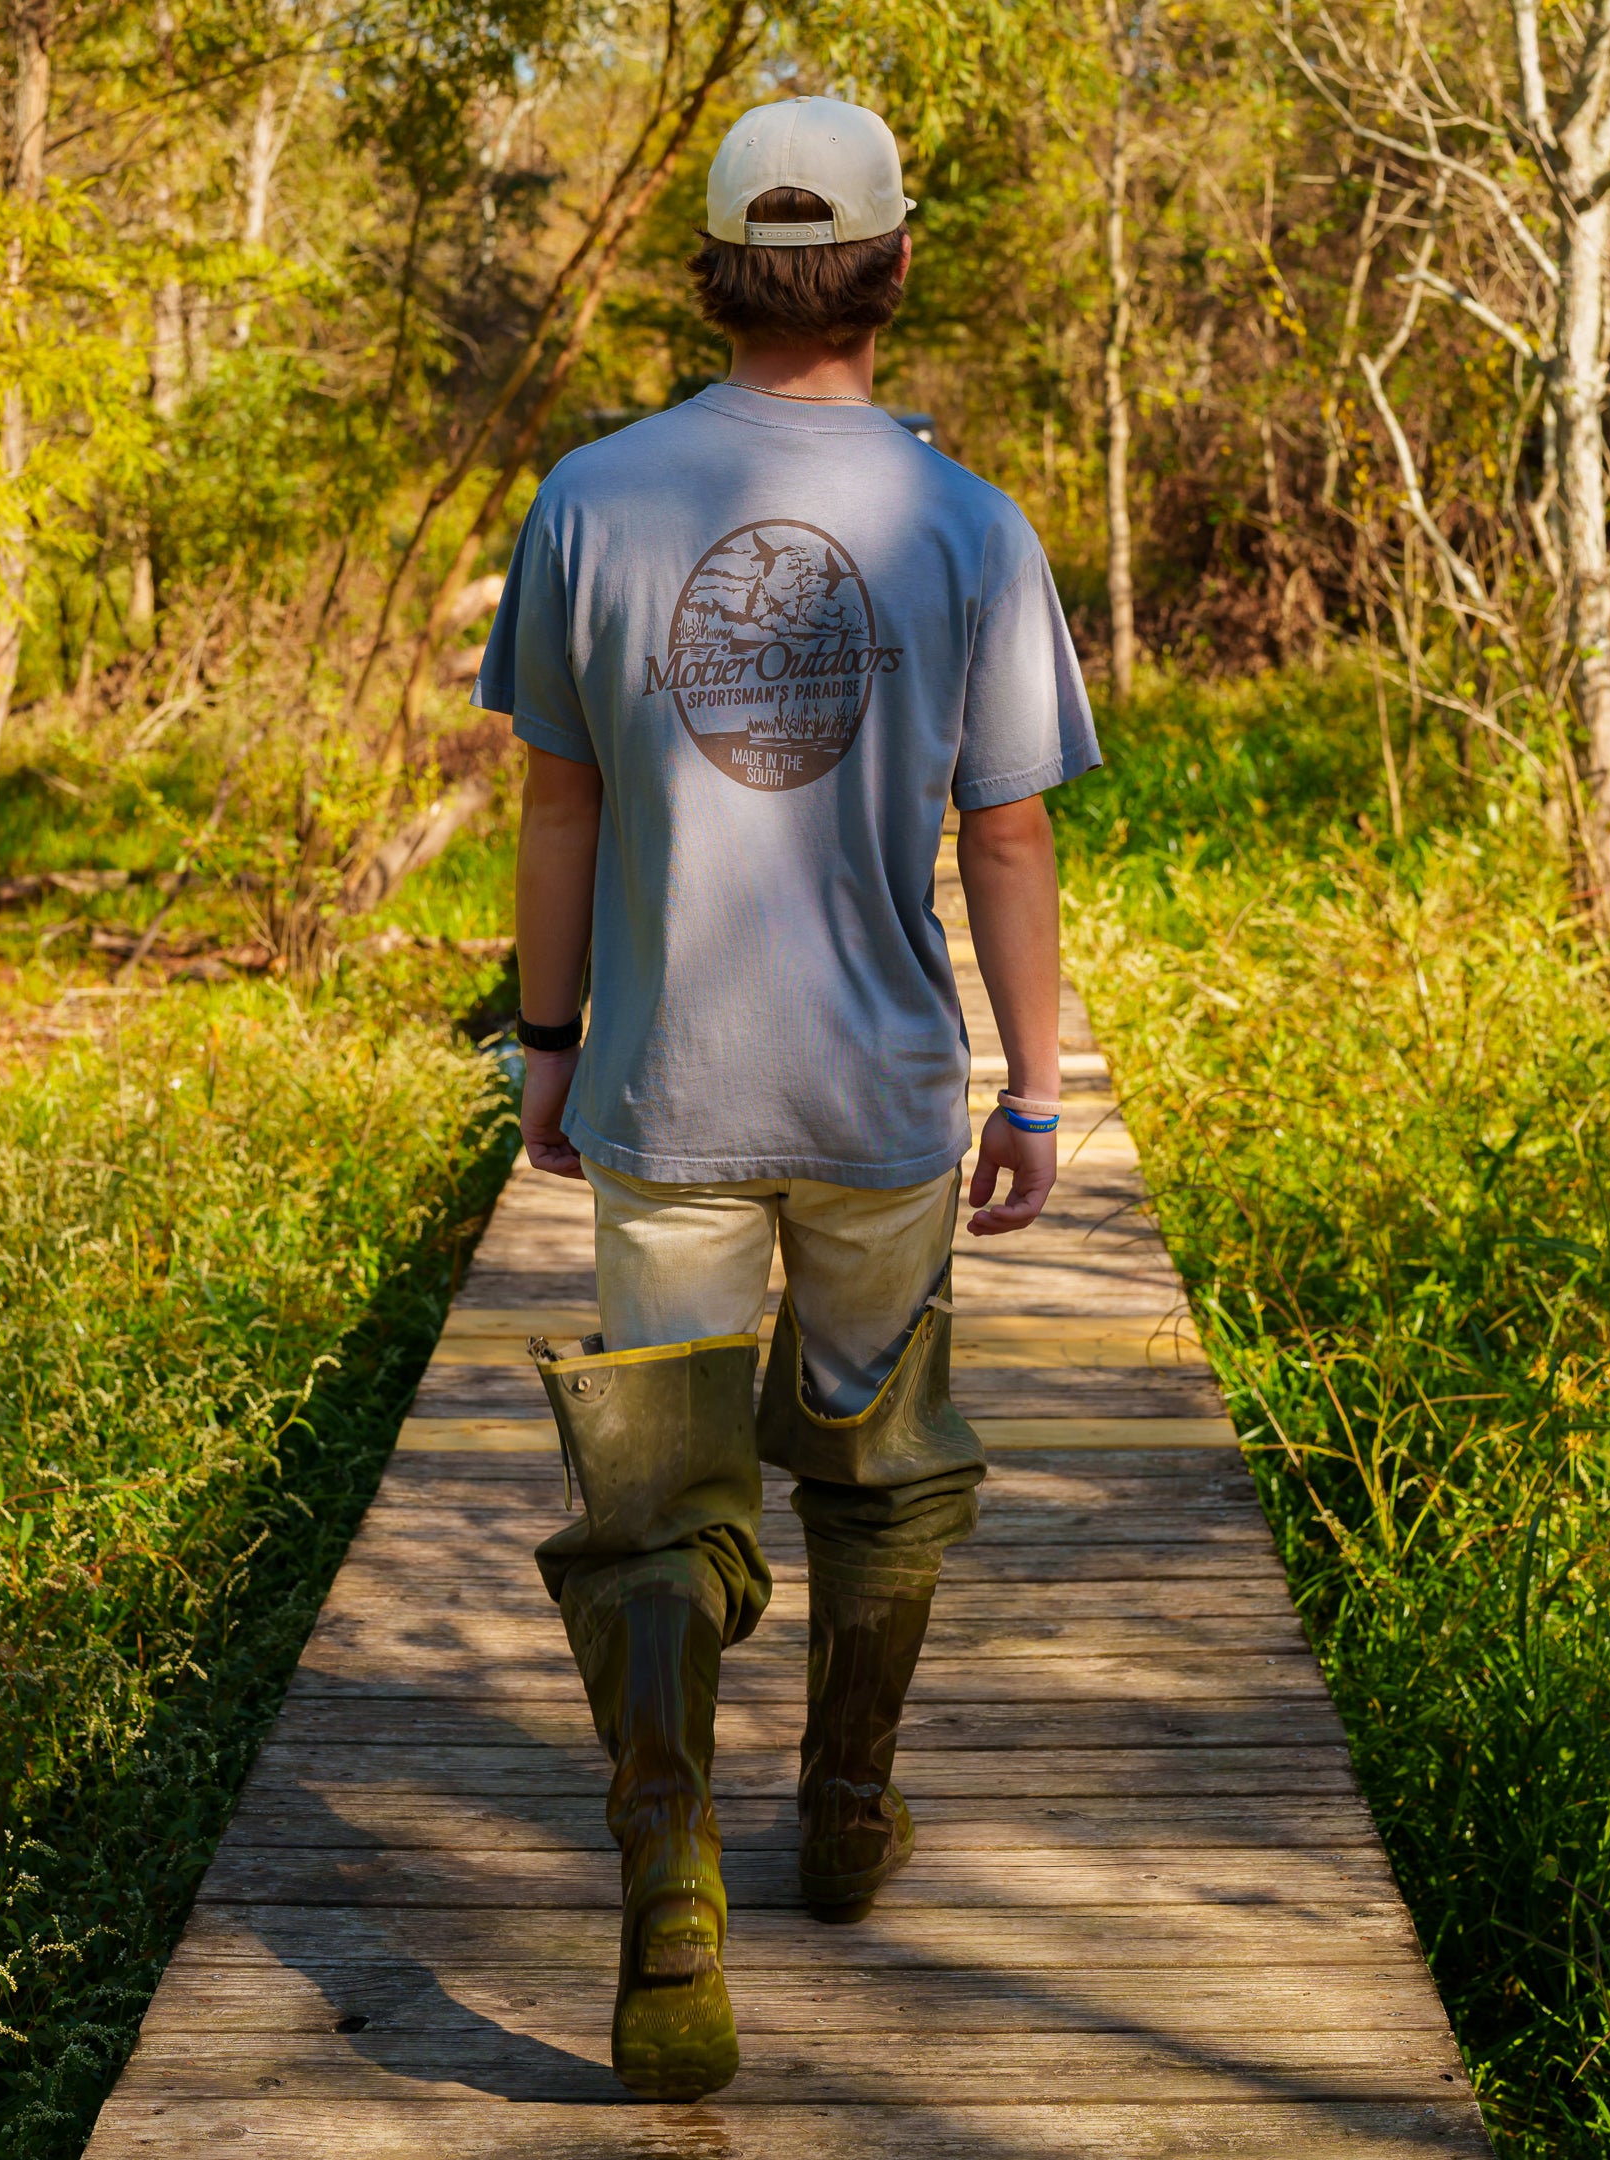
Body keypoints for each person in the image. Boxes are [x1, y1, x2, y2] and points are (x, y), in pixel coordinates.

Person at [473, 93, 1097, 2103]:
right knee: (881, 1464)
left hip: (668, 1088)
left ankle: (671, 1897)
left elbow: (559, 803)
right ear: (891, 263)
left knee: (656, 1493)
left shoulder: (593, 495)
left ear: (721, 267)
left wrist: (545, 1041)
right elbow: (1005, 840)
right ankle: (840, 1809)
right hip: (885, 1098)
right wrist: (1037, 1092)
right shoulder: (967, 522)